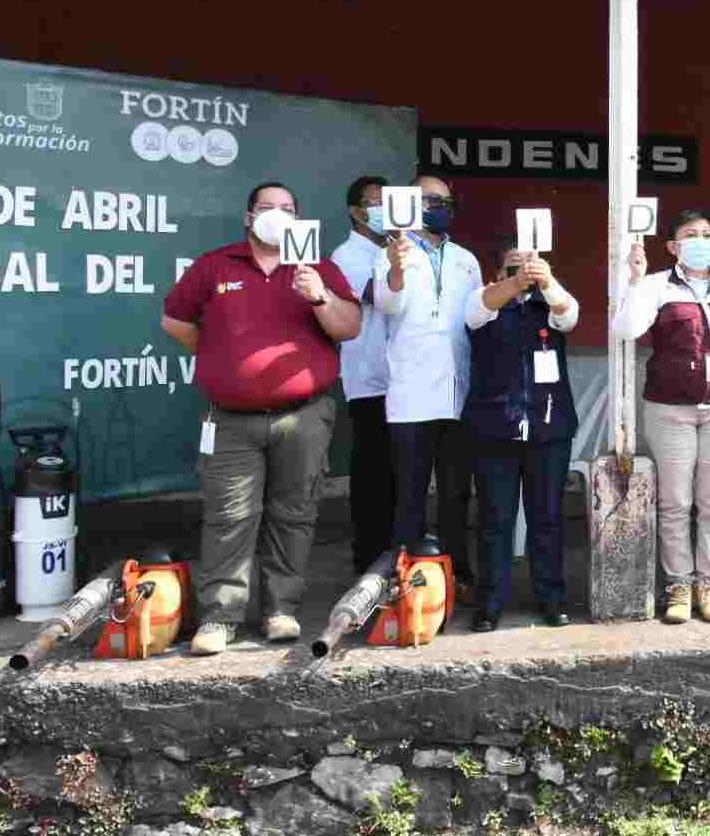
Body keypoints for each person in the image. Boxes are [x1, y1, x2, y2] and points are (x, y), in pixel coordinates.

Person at [162, 182, 361, 655]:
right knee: (229, 516)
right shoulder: (215, 266)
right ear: (249, 217)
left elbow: (349, 327)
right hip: (230, 420)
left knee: (294, 514)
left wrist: (318, 296)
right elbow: (176, 321)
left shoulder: (319, 267)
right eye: (267, 208)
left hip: (304, 416)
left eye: (287, 209)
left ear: (299, 219)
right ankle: (219, 617)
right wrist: (221, 361)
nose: (276, 214)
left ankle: (280, 609)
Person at [612, 209, 710, 625]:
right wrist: (634, 280)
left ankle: (709, 583)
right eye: (690, 234)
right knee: (676, 502)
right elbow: (627, 328)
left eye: (707, 233)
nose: (701, 239)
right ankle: (678, 585)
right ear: (672, 246)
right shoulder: (656, 285)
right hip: (670, 408)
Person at [376, 172, 485, 600]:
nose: (437, 206)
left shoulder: (465, 258)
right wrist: (397, 268)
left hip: (458, 391)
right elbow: (387, 304)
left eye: (443, 200)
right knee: (410, 495)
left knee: (458, 492)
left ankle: (458, 573)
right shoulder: (391, 252)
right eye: (427, 199)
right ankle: (404, 578)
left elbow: (478, 315)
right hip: (411, 392)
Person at [464, 245, 579, 630]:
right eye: (514, 265)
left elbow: (570, 314)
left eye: (531, 264)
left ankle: (552, 599)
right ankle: (490, 604)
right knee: (495, 521)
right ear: (499, 270)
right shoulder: (485, 302)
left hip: (549, 429)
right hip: (494, 429)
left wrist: (546, 281)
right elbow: (478, 309)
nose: (524, 272)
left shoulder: (550, 303)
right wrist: (515, 282)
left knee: (547, 519)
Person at [329, 174, 394, 575]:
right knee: (372, 471)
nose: (383, 211)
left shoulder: (393, 249)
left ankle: (393, 551)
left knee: (396, 472)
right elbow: (377, 295)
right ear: (356, 212)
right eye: (375, 203)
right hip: (367, 378)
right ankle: (368, 556)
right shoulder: (346, 256)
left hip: (401, 378)